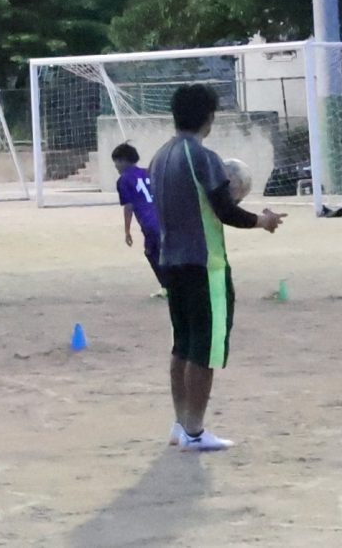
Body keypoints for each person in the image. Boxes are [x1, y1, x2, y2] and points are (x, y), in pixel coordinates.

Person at [149, 82, 284, 452]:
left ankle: (180, 425)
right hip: (204, 264)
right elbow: (224, 211)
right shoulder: (203, 157)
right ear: (209, 117)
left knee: (182, 345)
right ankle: (195, 432)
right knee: (205, 349)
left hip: (171, 262)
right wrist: (263, 220)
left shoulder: (160, 157)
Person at [111, 142, 164, 294]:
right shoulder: (149, 172)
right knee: (163, 252)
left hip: (149, 222)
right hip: (163, 218)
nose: (115, 166)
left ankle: (168, 286)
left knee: (152, 253)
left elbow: (128, 206)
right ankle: (171, 285)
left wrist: (127, 231)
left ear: (123, 161)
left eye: (117, 162)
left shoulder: (123, 180)